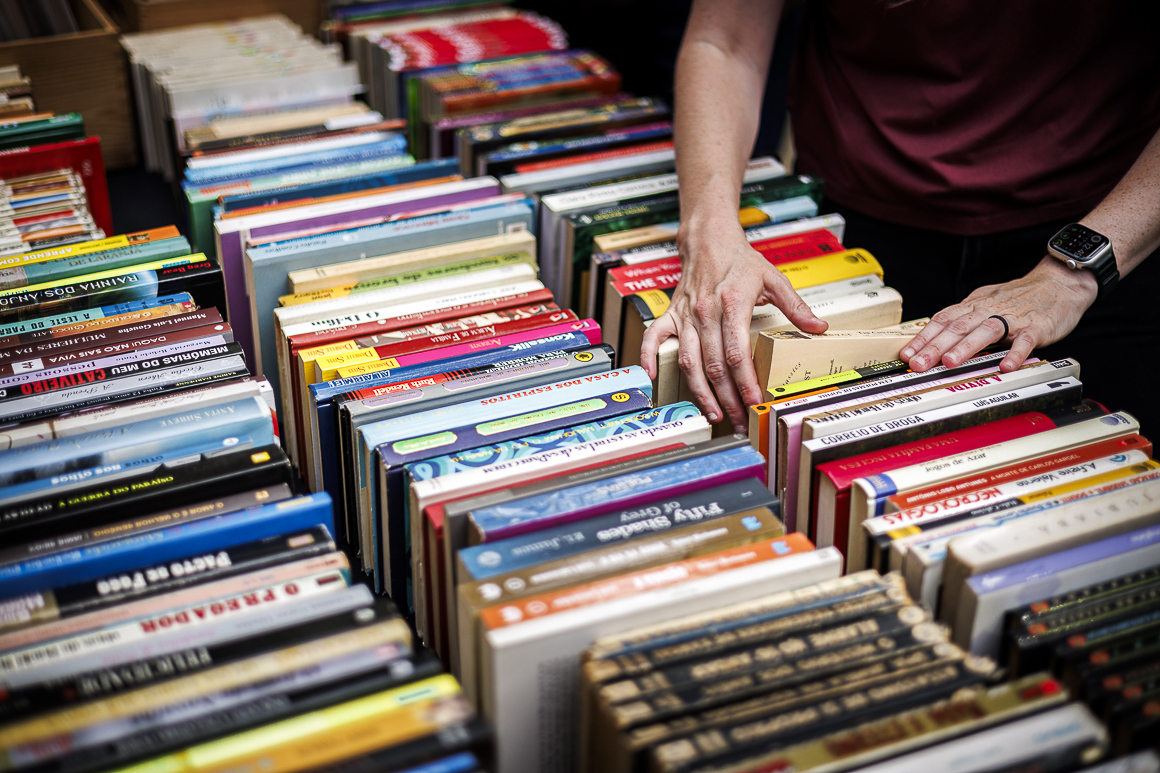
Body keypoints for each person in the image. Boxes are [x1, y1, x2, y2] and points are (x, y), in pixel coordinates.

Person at [640, 0, 1160, 437]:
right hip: (853, 231)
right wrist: (708, 233)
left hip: (1104, 227)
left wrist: (1074, 274)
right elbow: (724, 42)